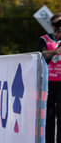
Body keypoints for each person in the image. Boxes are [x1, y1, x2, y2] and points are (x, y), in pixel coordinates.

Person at [37, 13, 61, 143]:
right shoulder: (45, 39)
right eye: (58, 23)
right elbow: (39, 56)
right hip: (48, 81)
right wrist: (54, 52)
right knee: (49, 115)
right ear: (52, 25)